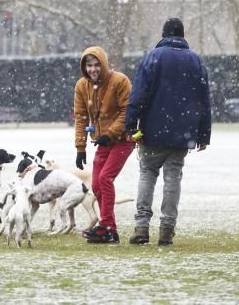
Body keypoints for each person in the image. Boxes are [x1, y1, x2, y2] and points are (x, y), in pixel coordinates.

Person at [125, 18, 211, 247]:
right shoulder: (195, 60)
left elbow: (139, 94)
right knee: (173, 177)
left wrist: (131, 123)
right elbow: (204, 99)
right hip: (182, 133)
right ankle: (167, 230)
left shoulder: (153, 57)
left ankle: (141, 226)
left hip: (152, 130)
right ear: (182, 36)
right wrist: (204, 134)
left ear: (163, 35)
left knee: (147, 174)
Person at [74, 45, 135, 244]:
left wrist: (110, 133)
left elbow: (128, 112)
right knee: (96, 184)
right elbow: (81, 117)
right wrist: (80, 147)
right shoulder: (82, 86)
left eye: (96, 65)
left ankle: (107, 226)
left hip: (123, 139)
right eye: (89, 66)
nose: (93, 69)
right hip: (102, 141)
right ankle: (110, 230)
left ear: (104, 63)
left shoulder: (120, 81)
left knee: (105, 178)